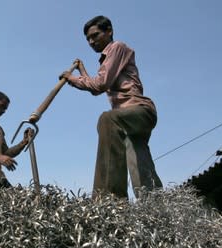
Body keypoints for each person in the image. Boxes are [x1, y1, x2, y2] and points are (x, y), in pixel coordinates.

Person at [60, 15, 162, 198]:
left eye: (95, 35)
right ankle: (155, 204)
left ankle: (109, 201)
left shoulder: (117, 47)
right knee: (138, 160)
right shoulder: (108, 58)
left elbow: (100, 84)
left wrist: (72, 79)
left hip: (139, 110)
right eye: (88, 39)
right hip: (129, 121)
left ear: (109, 31)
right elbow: (96, 87)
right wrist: (82, 70)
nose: (91, 41)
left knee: (108, 119)